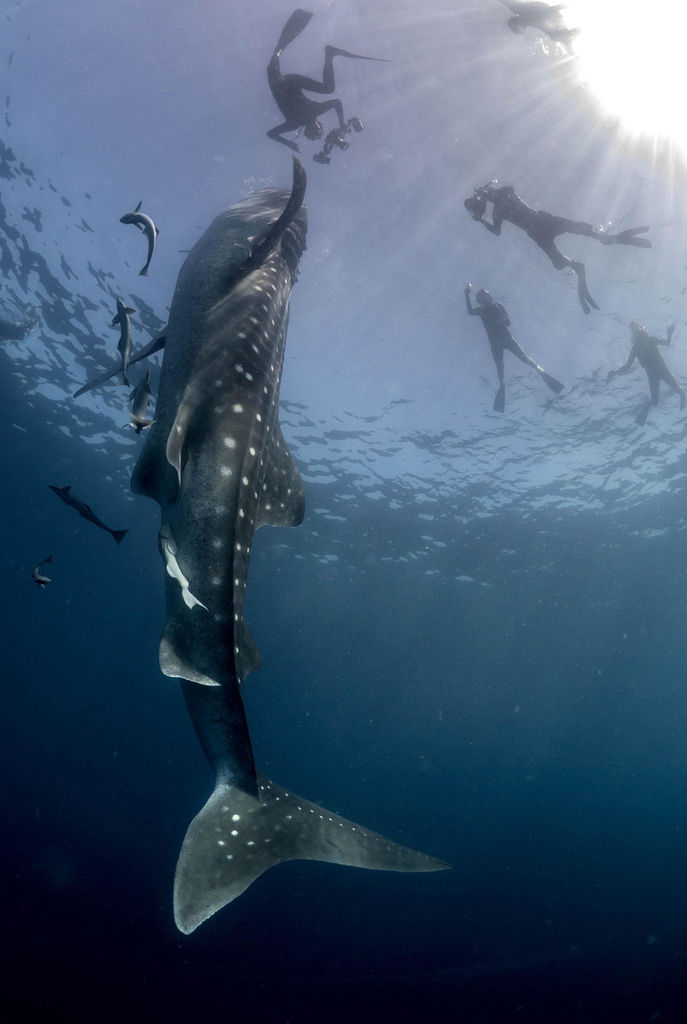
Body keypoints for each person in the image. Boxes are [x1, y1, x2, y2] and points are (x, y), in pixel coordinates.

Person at [464, 181, 651, 314]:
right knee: (560, 261)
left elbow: (505, 201)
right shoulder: (498, 209)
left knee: (579, 230)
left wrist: (483, 209)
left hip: (540, 224)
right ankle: (582, 263)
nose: (478, 210)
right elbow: (497, 230)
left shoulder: (501, 201)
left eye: (476, 208)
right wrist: (482, 216)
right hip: (539, 228)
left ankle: (606, 241)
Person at [266, 9, 385, 158]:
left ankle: (327, 54)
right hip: (285, 83)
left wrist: (341, 123)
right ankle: (327, 54)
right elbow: (271, 134)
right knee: (277, 55)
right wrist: (287, 142)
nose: (317, 128)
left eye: (315, 131)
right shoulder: (302, 119)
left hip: (282, 83)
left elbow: (337, 102)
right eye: (318, 130)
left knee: (327, 88)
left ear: (312, 129)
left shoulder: (302, 119)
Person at [464, 283, 564, 411]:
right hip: (498, 342)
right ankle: (503, 383)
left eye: (484, 295)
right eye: (481, 297)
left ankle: (540, 372)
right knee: (500, 367)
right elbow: (470, 311)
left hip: (504, 340)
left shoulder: (497, 306)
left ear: (489, 297)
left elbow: (508, 322)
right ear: (481, 300)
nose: (483, 298)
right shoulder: (483, 310)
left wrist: (501, 318)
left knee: (524, 360)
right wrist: (466, 294)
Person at [607, 320, 685, 425]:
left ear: (641, 330)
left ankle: (680, 395)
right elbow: (627, 366)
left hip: (660, 371)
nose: (636, 332)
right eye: (634, 330)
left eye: (636, 329)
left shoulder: (648, 341)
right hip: (654, 374)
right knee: (656, 401)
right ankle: (647, 406)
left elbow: (667, 343)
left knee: (677, 391)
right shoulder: (636, 347)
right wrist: (615, 372)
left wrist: (669, 333)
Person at [498, 1, 578, 52]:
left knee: (517, 8)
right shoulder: (560, 31)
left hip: (539, 10)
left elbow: (567, 42)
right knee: (517, 8)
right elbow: (551, 10)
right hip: (539, 10)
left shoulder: (559, 33)